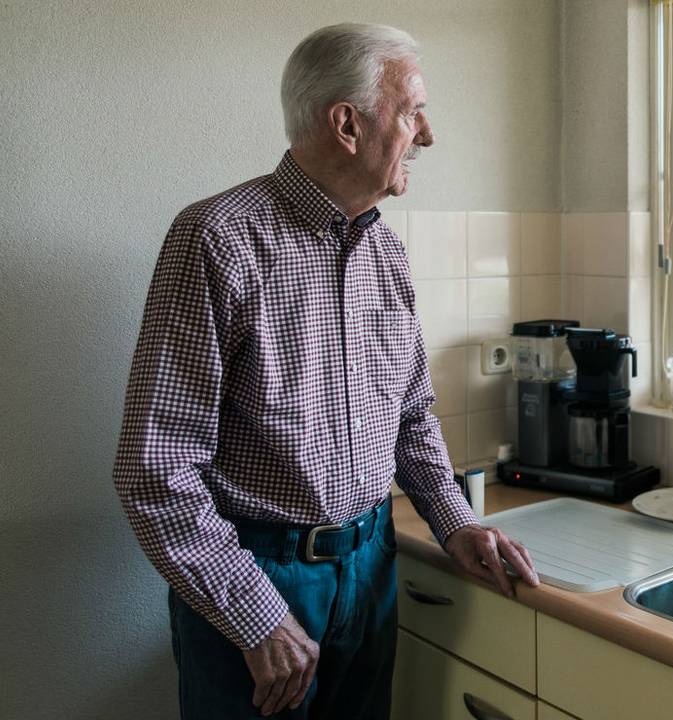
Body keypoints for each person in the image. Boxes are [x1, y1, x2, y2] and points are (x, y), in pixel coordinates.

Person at [112, 23, 538, 719]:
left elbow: (410, 417)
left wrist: (456, 522)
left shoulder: (386, 253)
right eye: (413, 111)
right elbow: (154, 467)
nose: (428, 135)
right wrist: (254, 614)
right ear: (347, 124)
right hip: (258, 576)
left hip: (372, 567)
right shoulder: (217, 238)